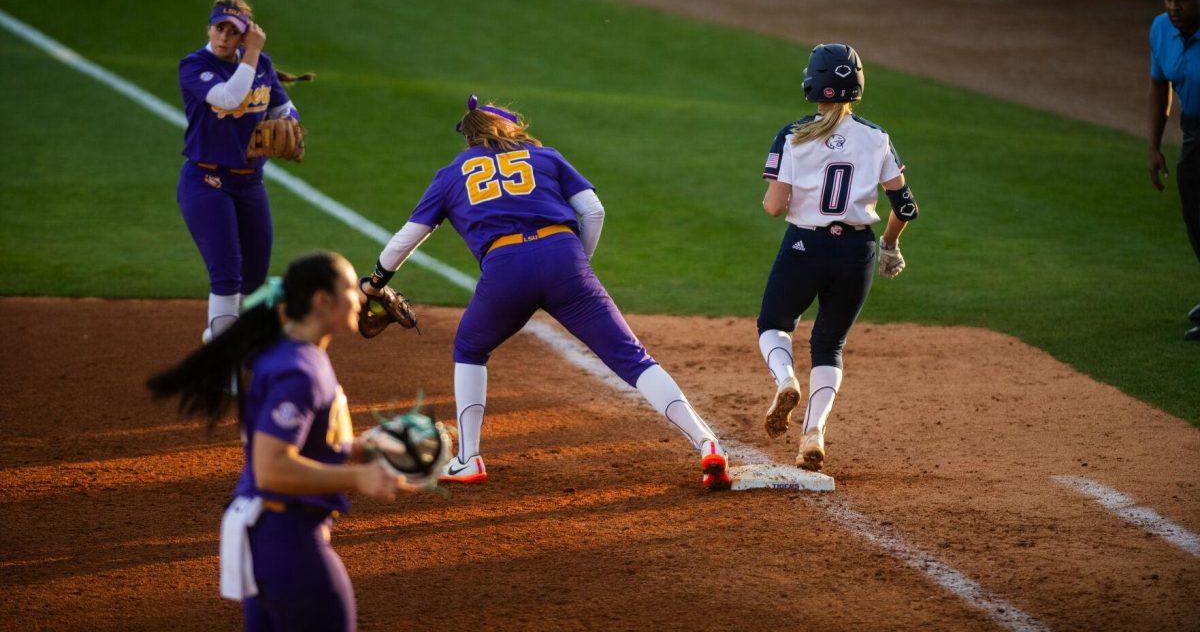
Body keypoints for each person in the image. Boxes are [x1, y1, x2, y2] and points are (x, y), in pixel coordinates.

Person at [360, 95, 732, 489]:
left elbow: (407, 238)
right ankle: (708, 443)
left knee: (470, 349)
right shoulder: (547, 157)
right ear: (511, 129)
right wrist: (577, 264)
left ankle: (469, 459)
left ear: (470, 139)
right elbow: (594, 210)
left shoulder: (452, 174)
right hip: (564, 260)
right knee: (634, 359)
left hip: (505, 271)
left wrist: (377, 280)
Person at [147, 251, 412, 632]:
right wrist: (358, 477)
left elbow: (297, 442)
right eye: (351, 288)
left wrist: (359, 448)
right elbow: (271, 468)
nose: (361, 296)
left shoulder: (295, 355)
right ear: (322, 301)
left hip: (269, 537)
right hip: (289, 542)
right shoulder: (298, 371)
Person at [755, 44, 918, 472]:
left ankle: (786, 380)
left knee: (773, 325)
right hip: (857, 252)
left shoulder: (793, 135)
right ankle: (814, 433)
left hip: (805, 245)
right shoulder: (877, 137)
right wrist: (889, 246)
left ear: (813, 83)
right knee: (830, 346)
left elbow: (773, 207)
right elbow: (905, 207)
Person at [177, 0, 311, 343]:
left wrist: (291, 125)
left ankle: (221, 340)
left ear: (244, 35)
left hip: (250, 184)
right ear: (209, 28)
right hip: (207, 183)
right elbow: (228, 97)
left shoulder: (261, 64)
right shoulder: (195, 66)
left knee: (253, 277)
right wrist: (252, 53)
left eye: (232, 32)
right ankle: (223, 364)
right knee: (227, 274)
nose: (223, 36)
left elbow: (284, 107)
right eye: (219, 28)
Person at [1146, 0, 1200, 342]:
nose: (1174, 6)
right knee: (1195, 217)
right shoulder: (1161, 29)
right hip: (1194, 135)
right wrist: (1153, 144)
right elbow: (1159, 85)